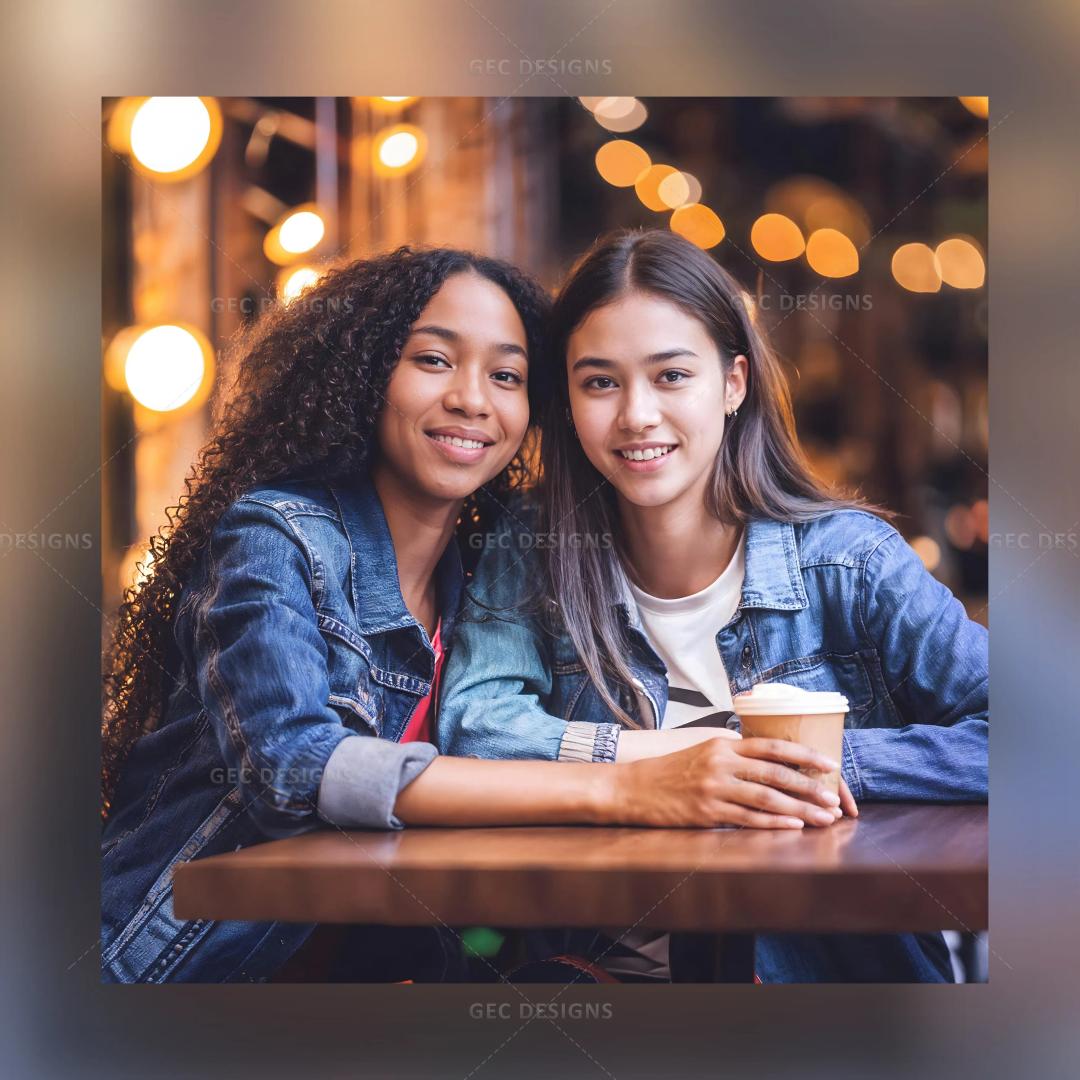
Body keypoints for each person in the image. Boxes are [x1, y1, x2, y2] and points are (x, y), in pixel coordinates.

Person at [100, 245, 787, 984]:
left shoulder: (490, 575)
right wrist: (632, 784)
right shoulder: (278, 536)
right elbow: (294, 768)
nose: (472, 399)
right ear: (366, 375)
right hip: (169, 979)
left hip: (370, 987)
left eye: (507, 376)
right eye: (433, 361)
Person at [438, 229, 988, 983]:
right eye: (600, 383)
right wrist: (673, 769)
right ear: (565, 400)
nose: (636, 415)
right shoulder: (535, 547)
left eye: (670, 376)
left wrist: (816, 769)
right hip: (593, 999)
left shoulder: (848, 561)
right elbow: (476, 728)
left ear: (732, 385)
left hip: (821, 1003)